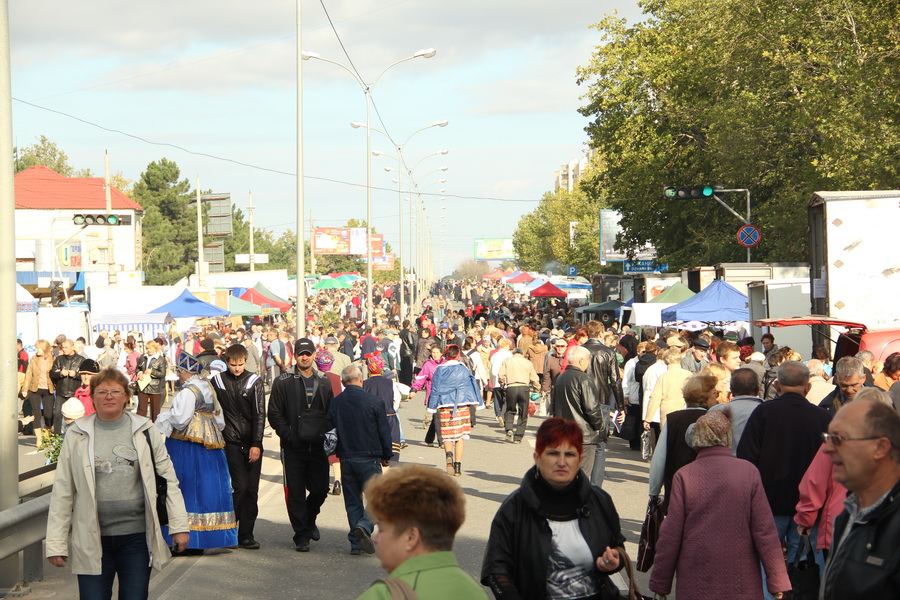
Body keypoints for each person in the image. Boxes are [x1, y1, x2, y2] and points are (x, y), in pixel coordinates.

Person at [46, 368, 190, 599]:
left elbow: (168, 479)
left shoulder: (144, 429)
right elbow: (63, 491)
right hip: (92, 537)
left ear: (126, 396)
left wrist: (179, 526)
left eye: (116, 391)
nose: (109, 396)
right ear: (92, 397)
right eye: (102, 391)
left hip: (136, 539)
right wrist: (55, 543)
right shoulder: (77, 434)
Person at [649, 411, 790, 599]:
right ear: (727, 436)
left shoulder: (685, 475)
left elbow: (671, 535)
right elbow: (765, 531)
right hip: (741, 578)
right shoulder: (748, 472)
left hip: (695, 578)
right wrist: (777, 581)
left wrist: (661, 583)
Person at [481, 418, 627, 599]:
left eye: (570, 454)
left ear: (580, 459)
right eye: (553, 453)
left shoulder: (599, 500)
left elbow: (617, 547)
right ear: (537, 458)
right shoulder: (514, 507)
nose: (562, 462)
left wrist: (614, 560)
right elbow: (496, 569)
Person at [737, 361, 832, 600]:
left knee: (765, 560)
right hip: (810, 506)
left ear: (777, 385)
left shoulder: (763, 413)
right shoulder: (822, 417)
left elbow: (746, 459)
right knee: (805, 564)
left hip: (768, 502)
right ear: (807, 387)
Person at [356, 464, 488, 600]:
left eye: (381, 530)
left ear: (411, 537)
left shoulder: (382, 595)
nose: (375, 539)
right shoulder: (475, 591)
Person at [154, 352, 238, 553]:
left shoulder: (188, 391)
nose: (179, 376)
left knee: (186, 487)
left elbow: (181, 419)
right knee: (208, 488)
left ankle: (186, 538)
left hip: (186, 446)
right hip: (211, 444)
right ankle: (208, 536)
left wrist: (164, 416)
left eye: (180, 372)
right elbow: (220, 420)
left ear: (185, 372)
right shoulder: (207, 386)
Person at [818, 397, 900, 599]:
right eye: (827, 437)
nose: (827, 448)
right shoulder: (849, 514)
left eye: (838, 439)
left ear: (881, 447)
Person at [267, 338, 334, 552]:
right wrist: (288, 434)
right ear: (295, 356)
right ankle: (301, 535)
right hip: (293, 446)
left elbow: (331, 412)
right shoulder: (283, 381)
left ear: (314, 355)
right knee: (295, 492)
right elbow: (274, 413)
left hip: (317, 446)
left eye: (308, 353)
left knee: (321, 489)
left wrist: (329, 438)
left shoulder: (323, 381)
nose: (304, 357)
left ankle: (309, 517)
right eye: (300, 354)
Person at [325, 364, 393, 555]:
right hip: (369, 457)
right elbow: (383, 431)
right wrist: (387, 455)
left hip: (346, 457)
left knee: (352, 501)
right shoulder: (373, 401)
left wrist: (331, 454)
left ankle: (356, 543)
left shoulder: (336, 402)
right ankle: (364, 525)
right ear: (360, 379)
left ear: (344, 382)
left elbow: (330, 432)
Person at [210, 343, 266, 550]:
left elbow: (260, 414)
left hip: (251, 443)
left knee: (252, 490)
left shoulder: (254, 381)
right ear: (226, 362)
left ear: (245, 361)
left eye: (240, 364)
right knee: (240, 487)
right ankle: (230, 530)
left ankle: (246, 535)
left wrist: (257, 443)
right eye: (233, 365)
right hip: (230, 443)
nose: (237, 368)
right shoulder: (217, 381)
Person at [648, 374, 717, 511]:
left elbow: (659, 458)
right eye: (714, 393)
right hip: (709, 490)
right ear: (706, 396)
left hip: (676, 489)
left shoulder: (674, 419)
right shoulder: (715, 419)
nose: (717, 397)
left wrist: (654, 492)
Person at [550, 346, 607, 486]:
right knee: (582, 473)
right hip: (584, 435)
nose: (588, 363)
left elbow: (554, 406)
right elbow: (592, 408)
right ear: (581, 360)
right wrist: (600, 426)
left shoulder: (560, 377)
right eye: (588, 360)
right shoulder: (584, 379)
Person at [428, 345, 484, 476]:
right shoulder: (463, 369)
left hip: (444, 405)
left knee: (447, 435)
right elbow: (471, 385)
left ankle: (448, 456)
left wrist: (431, 406)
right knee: (460, 437)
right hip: (461, 405)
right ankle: (458, 467)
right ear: (458, 355)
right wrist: (478, 402)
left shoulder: (439, 369)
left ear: (446, 355)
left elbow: (435, 389)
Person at [706, 368, 762, 452]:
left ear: (731, 390)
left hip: (725, 462)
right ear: (758, 389)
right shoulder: (771, 411)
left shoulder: (717, 411)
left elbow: (696, 435)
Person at [362, 352, 402, 464]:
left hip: (370, 420)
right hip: (389, 418)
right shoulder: (390, 383)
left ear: (369, 369)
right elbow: (396, 400)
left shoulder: (364, 384)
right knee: (389, 452)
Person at [643, 347, 691, 430]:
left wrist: (648, 419)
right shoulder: (688, 375)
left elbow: (655, 398)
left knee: (668, 439)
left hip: (667, 414)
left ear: (665, 360)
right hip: (684, 411)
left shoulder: (663, 377)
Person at [498, 348, 540, 444]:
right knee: (523, 413)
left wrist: (502, 383)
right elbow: (534, 378)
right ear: (522, 354)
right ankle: (518, 437)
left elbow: (501, 375)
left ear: (513, 354)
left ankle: (509, 429)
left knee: (510, 410)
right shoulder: (528, 363)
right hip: (524, 388)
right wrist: (537, 389)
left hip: (511, 387)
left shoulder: (507, 361)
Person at [23, 339, 55, 445]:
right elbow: (28, 374)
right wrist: (25, 389)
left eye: (38, 348)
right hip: (34, 389)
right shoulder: (34, 359)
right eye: (36, 348)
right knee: (36, 414)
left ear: (44, 348)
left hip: (48, 389)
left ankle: (46, 434)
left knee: (48, 414)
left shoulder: (53, 359)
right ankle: (39, 438)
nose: (36, 350)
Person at [51, 339, 85, 435]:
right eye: (63, 347)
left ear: (72, 347)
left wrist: (76, 374)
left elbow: (84, 375)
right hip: (61, 391)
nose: (64, 349)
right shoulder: (59, 359)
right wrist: (61, 373)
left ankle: (75, 433)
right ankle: (57, 436)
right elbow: (52, 373)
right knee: (57, 414)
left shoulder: (81, 359)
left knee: (74, 415)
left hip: (74, 391)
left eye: (66, 347)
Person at [135, 339, 167, 422]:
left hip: (155, 387)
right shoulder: (143, 357)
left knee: (155, 410)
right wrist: (139, 373)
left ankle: (155, 428)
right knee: (141, 409)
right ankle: (139, 425)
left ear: (155, 348)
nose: (148, 350)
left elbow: (162, 374)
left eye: (150, 348)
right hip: (143, 385)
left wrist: (152, 371)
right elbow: (138, 368)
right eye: (147, 348)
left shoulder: (160, 359)